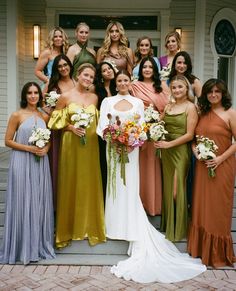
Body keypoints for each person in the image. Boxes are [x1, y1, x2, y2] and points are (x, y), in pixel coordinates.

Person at [97, 70, 206, 284]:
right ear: (115, 82)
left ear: (131, 82)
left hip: (132, 151)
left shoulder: (138, 102)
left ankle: (130, 223)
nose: (122, 83)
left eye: (125, 80)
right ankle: (114, 225)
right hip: (113, 150)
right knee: (114, 186)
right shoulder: (107, 101)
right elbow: (101, 127)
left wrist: (131, 142)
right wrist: (114, 139)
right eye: (119, 80)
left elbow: (142, 129)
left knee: (129, 187)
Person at [48, 63, 106, 248]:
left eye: (91, 77)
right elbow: (53, 121)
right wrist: (71, 127)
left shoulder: (95, 98)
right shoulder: (65, 97)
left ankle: (89, 227)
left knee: (89, 184)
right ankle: (67, 230)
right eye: (85, 75)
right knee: (70, 183)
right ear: (78, 75)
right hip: (70, 146)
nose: (88, 79)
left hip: (90, 147)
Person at [0, 82, 55, 264]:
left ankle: (37, 246)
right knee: (22, 200)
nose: (33, 96)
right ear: (25, 95)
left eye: (35, 93)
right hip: (21, 161)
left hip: (40, 162)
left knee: (38, 201)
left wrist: (46, 149)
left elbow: (49, 140)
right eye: (29, 93)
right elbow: (8, 141)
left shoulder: (44, 116)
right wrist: (28, 149)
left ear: (40, 95)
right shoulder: (17, 115)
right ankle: (20, 247)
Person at [187, 78, 236, 267]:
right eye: (210, 92)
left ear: (223, 93)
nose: (213, 95)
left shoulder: (230, 114)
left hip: (222, 166)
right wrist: (196, 152)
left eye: (217, 91)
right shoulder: (202, 112)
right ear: (206, 94)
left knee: (218, 209)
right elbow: (193, 138)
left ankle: (217, 254)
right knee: (201, 207)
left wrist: (220, 159)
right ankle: (200, 250)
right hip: (202, 166)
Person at [154, 75, 198, 242]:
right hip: (166, 153)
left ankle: (178, 229)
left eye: (180, 87)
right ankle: (168, 226)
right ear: (170, 90)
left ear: (187, 88)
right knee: (167, 188)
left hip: (179, 151)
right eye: (174, 88)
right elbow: (159, 123)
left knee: (176, 189)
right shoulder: (168, 106)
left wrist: (168, 144)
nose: (177, 90)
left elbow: (189, 135)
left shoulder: (190, 108)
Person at [130, 56, 169, 215]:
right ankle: (140, 204)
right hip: (139, 132)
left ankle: (154, 205)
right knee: (139, 167)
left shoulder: (163, 87)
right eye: (144, 67)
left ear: (155, 70)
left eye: (150, 67)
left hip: (156, 132)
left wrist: (158, 121)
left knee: (154, 167)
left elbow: (168, 108)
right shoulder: (134, 86)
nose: (147, 69)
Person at [44, 54, 76, 206]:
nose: (63, 68)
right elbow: (44, 105)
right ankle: (57, 204)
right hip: (58, 130)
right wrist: (56, 116)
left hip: (75, 129)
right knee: (57, 164)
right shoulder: (52, 83)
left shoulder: (77, 82)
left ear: (70, 65)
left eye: (65, 65)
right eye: (60, 66)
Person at [95, 61, 117, 196]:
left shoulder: (119, 87)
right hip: (102, 131)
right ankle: (104, 195)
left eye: (109, 68)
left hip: (119, 130)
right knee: (104, 162)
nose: (108, 71)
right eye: (104, 70)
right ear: (101, 75)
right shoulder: (96, 89)